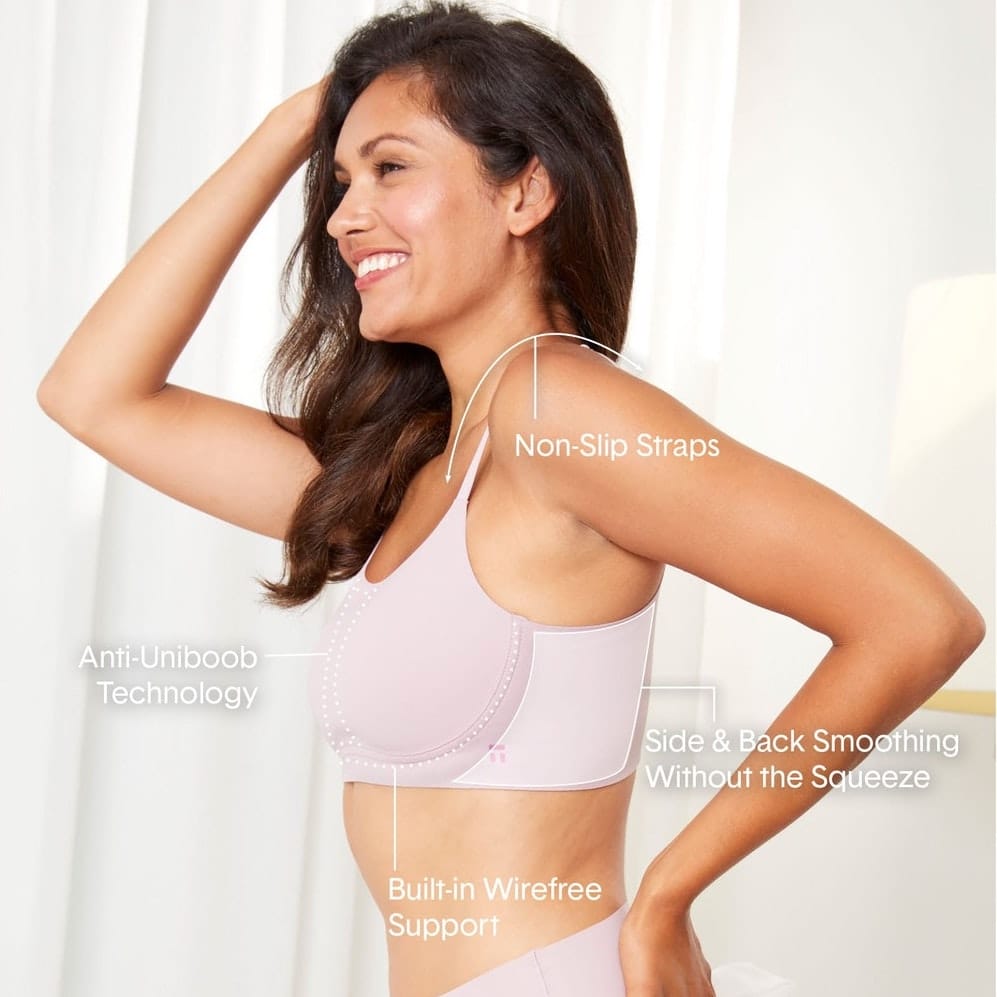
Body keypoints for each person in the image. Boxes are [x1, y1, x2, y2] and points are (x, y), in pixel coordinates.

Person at [37, 3, 984, 995]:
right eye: (341, 180)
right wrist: (295, 123)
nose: (343, 216)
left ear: (525, 190)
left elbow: (916, 617)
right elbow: (93, 395)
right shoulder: (414, 466)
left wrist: (668, 893)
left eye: (390, 167)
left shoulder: (558, 409)